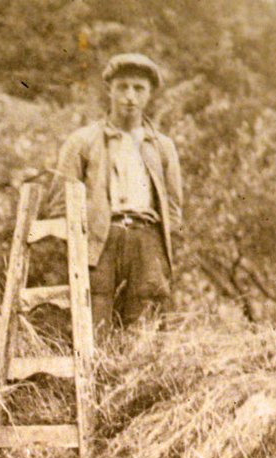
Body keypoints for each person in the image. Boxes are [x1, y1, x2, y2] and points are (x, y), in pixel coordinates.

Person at [52, 52, 183, 333]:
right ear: (109, 89)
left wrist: (161, 253)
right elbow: (60, 205)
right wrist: (80, 249)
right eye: (122, 87)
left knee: (143, 332)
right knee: (94, 327)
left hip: (146, 241)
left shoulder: (162, 146)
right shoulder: (82, 141)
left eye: (139, 89)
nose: (130, 97)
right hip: (100, 243)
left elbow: (173, 209)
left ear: (149, 95)